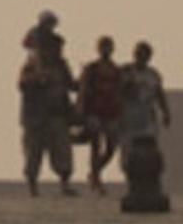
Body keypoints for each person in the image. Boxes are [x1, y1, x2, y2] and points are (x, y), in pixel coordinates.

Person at [18, 33, 78, 197]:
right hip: (35, 118)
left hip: (57, 115)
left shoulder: (61, 66)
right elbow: (23, 85)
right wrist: (39, 80)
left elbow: (71, 85)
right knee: (33, 153)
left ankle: (65, 185)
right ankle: (33, 187)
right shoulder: (32, 65)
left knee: (63, 152)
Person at [78, 36, 122, 194]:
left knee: (111, 147)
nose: (106, 50)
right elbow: (83, 91)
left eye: (109, 47)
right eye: (103, 47)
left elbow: (120, 91)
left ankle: (95, 172)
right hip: (94, 112)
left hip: (111, 113)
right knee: (95, 144)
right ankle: (96, 180)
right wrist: (82, 113)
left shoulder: (116, 70)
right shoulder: (92, 69)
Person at [119, 41, 171, 168]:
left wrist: (166, 112)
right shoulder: (125, 71)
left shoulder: (153, 74)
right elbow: (116, 91)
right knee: (128, 149)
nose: (141, 57)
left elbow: (159, 94)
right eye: (138, 54)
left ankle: (147, 174)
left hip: (147, 117)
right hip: (128, 117)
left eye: (144, 55)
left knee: (148, 146)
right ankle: (129, 173)